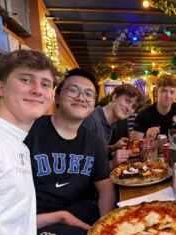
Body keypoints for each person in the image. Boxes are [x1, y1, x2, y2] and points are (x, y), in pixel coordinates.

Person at [24, 68, 115, 235]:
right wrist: (60, 217)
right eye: (73, 90)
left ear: (94, 103)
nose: (81, 97)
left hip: (83, 213)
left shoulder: (94, 142)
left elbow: (106, 189)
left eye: (89, 94)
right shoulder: (30, 131)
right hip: (38, 220)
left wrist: (106, 226)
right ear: (57, 96)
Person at [0, 50, 58, 235]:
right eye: (26, 80)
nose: (37, 90)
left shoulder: (19, 145)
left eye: (45, 84)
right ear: (1, 88)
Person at [82, 84, 145, 165]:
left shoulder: (109, 121)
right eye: (127, 101)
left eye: (133, 106)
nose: (129, 108)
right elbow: (82, 168)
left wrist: (113, 147)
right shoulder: (90, 121)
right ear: (114, 97)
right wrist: (113, 163)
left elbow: (95, 152)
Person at [131, 73, 176, 140]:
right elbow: (134, 144)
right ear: (156, 92)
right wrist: (146, 138)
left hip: (175, 150)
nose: (168, 96)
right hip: (151, 150)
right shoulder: (144, 114)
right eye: (164, 91)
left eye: (172, 92)